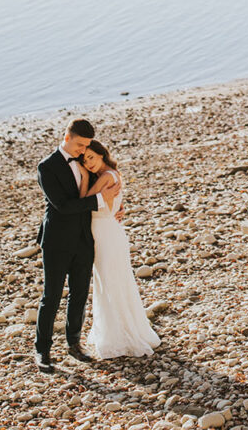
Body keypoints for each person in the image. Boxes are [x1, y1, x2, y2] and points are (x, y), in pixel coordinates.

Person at [33, 118, 120, 372]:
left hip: (84, 237)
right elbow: (62, 205)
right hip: (57, 240)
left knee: (79, 293)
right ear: (67, 137)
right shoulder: (47, 167)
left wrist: (115, 204)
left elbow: (106, 177)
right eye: (80, 145)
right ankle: (42, 351)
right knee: (51, 296)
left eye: (87, 146)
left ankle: (74, 344)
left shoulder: (83, 160)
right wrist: (99, 201)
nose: (83, 151)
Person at [79, 139, 161, 358]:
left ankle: (117, 337)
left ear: (102, 155)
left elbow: (83, 202)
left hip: (105, 233)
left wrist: (84, 177)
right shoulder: (113, 174)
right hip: (110, 231)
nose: (88, 163)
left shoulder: (105, 177)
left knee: (109, 283)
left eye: (91, 158)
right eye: (84, 161)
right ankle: (125, 330)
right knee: (115, 282)